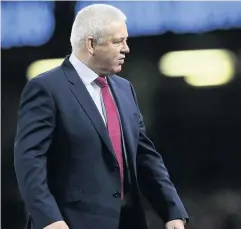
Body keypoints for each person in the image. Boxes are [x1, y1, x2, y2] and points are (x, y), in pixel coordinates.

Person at [14, 4, 188, 229]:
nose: (126, 49)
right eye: (118, 41)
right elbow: (29, 161)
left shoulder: (125, 90)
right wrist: (49, 219)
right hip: (71, 223)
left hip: (128, 221)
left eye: (126, 40)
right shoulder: (46, 88)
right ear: (91, 44)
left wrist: (171, 210)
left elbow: (145, 157)